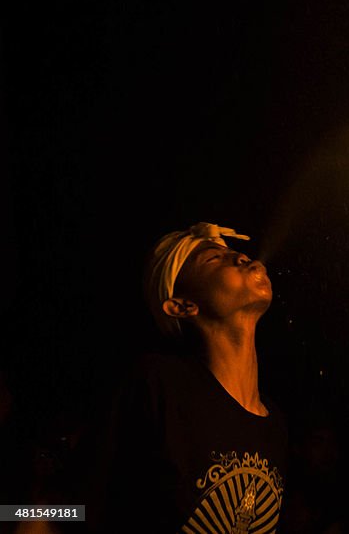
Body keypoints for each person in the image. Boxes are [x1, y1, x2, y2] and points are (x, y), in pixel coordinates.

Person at [89, 222, 287, 533]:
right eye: (214, 259)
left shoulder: (275, 426)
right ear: (182, 306)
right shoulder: (158, 384)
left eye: (234, 252)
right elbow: (68, 507)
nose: (240, 259)